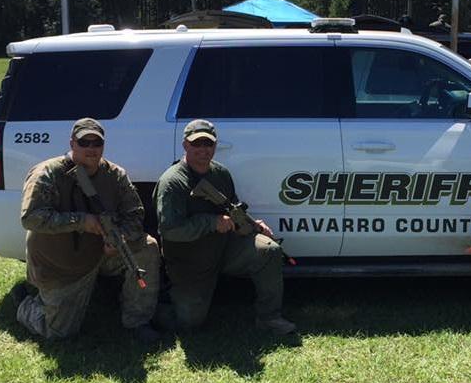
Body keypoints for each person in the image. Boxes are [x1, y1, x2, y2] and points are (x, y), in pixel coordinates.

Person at [17, 118, 161, 342]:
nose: (91, 149)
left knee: (147, 247)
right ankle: (27, 304)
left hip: (100, 254)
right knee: (58, 333)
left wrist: (120, 238)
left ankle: (137, 321)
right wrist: (82, 221)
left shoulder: (115, 175)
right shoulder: (47, 173)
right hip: (61, 263)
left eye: (97, 143)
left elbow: (135, 214)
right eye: (85, 143)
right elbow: (31, 218)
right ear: (72, 143)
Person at [154, 119, 296, 334]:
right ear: (185, 145)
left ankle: (269, 318)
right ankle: (159, 305)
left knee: (269, 250)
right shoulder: (172, 182)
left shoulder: (221, 174)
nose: (203, 150)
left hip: (223, 248)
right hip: (190, 261)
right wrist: (211, 223)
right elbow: (170, 230)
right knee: (189, 323)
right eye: (197, 144)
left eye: (208, 144)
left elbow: (232, 209)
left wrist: (248, 224)